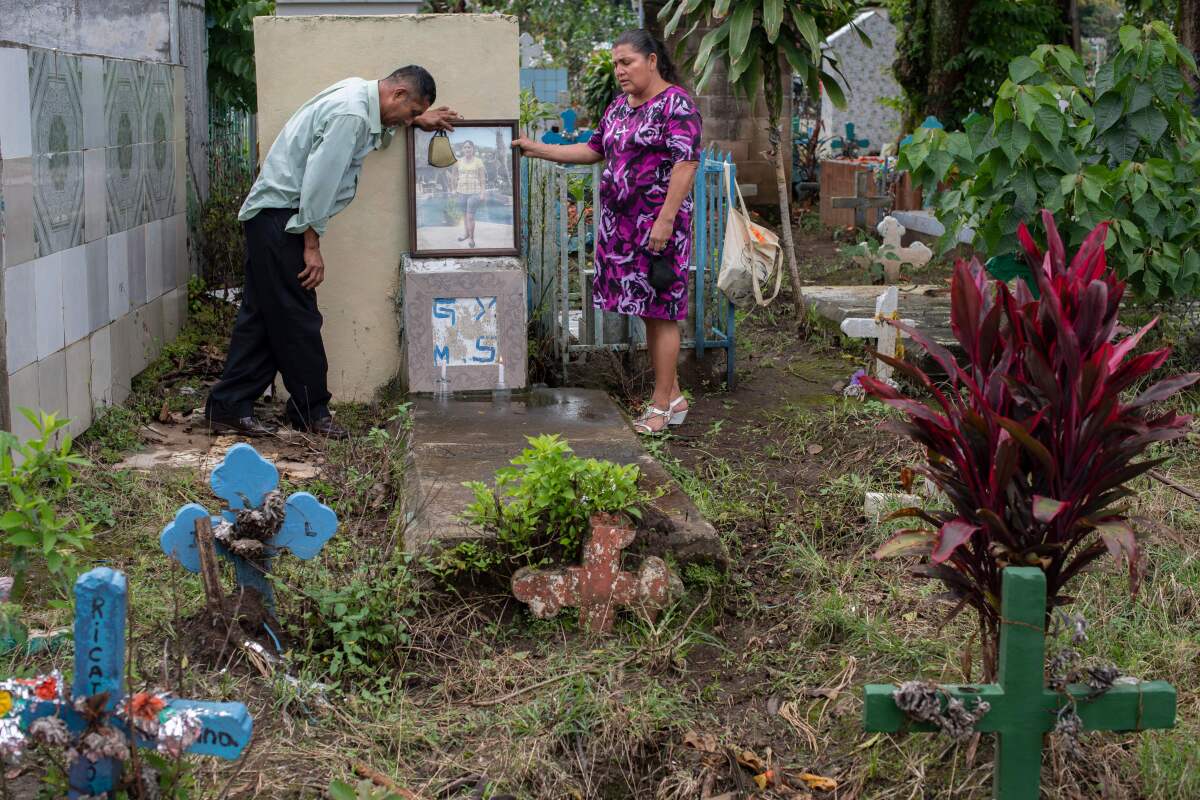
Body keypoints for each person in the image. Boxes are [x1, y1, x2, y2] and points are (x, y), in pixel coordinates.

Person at [205, 66, 460, 439]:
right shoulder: (352, 116)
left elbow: (375, 131)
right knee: (298, 318)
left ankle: (228, 406)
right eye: (410, 111)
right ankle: (311, 412)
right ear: (399, 94)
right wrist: (311, 244)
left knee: (263, 316)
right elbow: (319, 182)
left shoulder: (358, 94)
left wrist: (413, 122)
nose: (409, 119)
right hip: (285, 220)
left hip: (270, 217)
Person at [513, 30, 702, 434]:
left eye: (627, 62)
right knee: (648, 314)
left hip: (659, 228)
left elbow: (686, 165)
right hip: (622, 229)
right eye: (615, 64)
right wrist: (537, 148)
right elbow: (594, 149)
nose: (619, 71)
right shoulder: (619, 106)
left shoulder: (676, 105)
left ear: (652, 61)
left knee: (662, 312)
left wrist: (665, 221)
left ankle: (659, 406)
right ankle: (675, 395)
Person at [453, 140, 487, 248]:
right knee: (464, 215)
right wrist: (454, 189)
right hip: (461, 192)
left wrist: (482, 193)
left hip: (474, 192)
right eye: (465, 147)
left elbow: (482, 179)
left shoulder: (478, 161)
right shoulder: (458, 161)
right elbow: (454, 177)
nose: (467, 149)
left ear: (473, 149)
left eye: (469, 147)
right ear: (463, 149)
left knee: (470, 216)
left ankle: (471, 238)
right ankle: (466, 234)